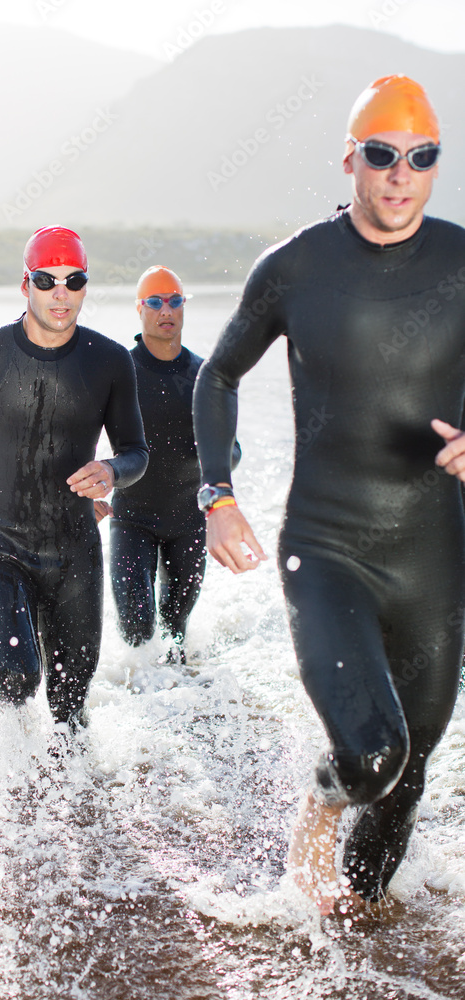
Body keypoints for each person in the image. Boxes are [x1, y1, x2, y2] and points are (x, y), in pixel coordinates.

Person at [193, 75, 465, 913]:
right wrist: (218, 495)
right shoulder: (296, 268)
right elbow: (218, 375)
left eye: (422, 157)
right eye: (382, 154)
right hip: (329, 544)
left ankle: (359, 927)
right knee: (371, 758)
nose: (400, 174)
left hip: (433, 553)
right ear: (352, 158)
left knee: (409, 774)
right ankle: (320, 797)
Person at [0, 226, 148, 731]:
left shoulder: (109, 360)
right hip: (0, 544)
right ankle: (7, 776)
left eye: (73, 280)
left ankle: (75, 804)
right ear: (26, 285)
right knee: (15, 681)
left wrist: (110, 472)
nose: (60, 293)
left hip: (75, 549)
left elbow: (136, 453)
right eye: (46, 280)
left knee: (70, 709)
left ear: (86, 286)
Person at [109, 265, 240, 664]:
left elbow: (232, 452)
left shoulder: (204, 375)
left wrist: (210, 451)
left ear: (184, 307)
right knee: (136, 630)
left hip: (189, 521)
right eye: (155, 302)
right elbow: (81, 433)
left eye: (175, 301)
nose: (166, 310)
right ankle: (140, 710)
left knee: (175, 632)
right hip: (132, 517)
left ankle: (181, 709)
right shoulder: (121, 372)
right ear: (140, 309)